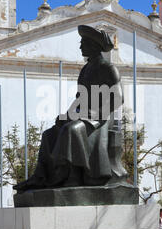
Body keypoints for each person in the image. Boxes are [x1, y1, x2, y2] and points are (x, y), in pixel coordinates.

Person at [14, 25, 126, 192]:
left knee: (72, 129)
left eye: (83, 43)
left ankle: (71, 175)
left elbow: (117, 98)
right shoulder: (85, 70)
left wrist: (94, 113)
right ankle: (41, 176)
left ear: (93, 46)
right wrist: (68, 114)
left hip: (101, 119)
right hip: (85, 116)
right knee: (49, 134)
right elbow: (80, 98)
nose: (80, 46)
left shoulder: (108, 68)